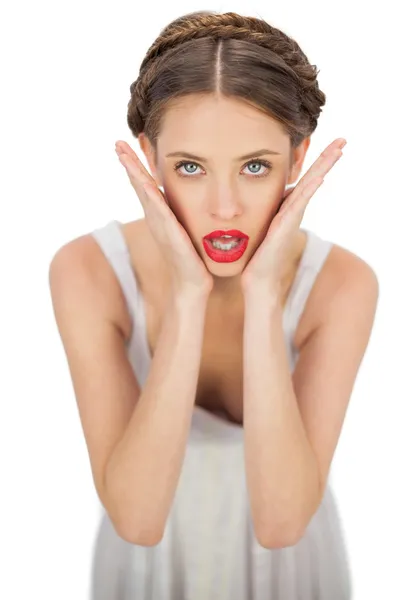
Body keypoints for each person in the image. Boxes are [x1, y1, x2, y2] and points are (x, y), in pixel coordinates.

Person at [49, 10, 379, 600]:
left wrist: (260, 292)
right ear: (150, 160)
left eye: (256, 167)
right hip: (144, 577)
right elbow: (138, 521)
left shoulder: (342, 284)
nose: (223, 208)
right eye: (191, 168)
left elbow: (281, 526)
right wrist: (188, 293)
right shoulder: (88, 271)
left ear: (297, 161)